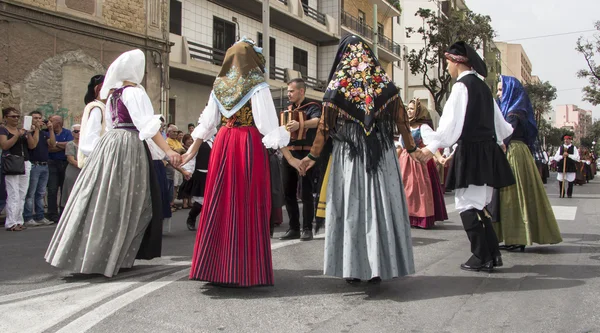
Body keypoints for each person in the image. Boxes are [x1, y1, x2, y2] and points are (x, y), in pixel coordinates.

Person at [45, 49, 181, 277]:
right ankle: (114, 256)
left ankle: (95, 256)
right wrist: (167, 150)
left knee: (105, 200)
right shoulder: (134, 93)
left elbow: (112, 126)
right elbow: (147, 126)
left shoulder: (113, 96)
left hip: (110, 146)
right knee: (132, 203)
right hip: (128, 147)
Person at [301, 35, 418, 284]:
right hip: (381, 154)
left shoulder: (338, 86)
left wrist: (313, 155)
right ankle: (380, 265)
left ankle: (353, 267)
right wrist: (412, 148)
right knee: (379, 206)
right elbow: (401, 120)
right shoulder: (384, 84)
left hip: (349, 156)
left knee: (351, 208)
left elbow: (324, 126)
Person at [183, 38, 300, 287]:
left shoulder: (220, 86)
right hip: (247, 144)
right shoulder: (257, 85)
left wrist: (191, 151)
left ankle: (215, 267)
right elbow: (267, 126)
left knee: (220, 200)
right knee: (246, 201)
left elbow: (207, 123)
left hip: (224, 143)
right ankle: (244, 268)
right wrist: (289, 156)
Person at [420, 41, 515, 272]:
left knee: (466, 205)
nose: (447, 68)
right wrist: (499, 142)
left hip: (472, 152)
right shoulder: (483, 87)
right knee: (480, 204)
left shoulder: (462, 87)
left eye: (448, 63)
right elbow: (501, 126)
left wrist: (431, 148)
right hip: (486, 151)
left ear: (457, 62)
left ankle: (481, 255)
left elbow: (451, 125)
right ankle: (492, 254)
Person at [493, 75, 562, 252]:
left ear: (510, 90)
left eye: (501, 89)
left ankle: (517, 237)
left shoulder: (514, 112)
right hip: (516, 152)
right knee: (513, 196)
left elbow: (505, 135)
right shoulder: (511, 109)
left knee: (513, 196)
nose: (498, 93)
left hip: (513, 153)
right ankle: (513, 237)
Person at [279, 78, 322, 241]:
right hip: (288, 155)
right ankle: (294, 228)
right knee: (288, 192)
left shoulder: (313, 106)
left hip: (305, 154)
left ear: (301, 91)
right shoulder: (287, 109)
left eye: (291, 91)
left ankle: (307, 228)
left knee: (305, 192)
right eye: (288, 91)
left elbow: (318, 121)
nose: (288, 94)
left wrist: (300, 124)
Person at [398, 98, 448, 228]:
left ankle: (421, 218)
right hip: (404, 162)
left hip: (418, 162)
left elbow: (433, 143)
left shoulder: (423, 128)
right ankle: (407, 216)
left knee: (419, 190)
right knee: (405, 190)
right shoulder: (405, 126)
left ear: (418, 112)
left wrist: (439, 157)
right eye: (408, 109)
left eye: (412, 109)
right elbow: (400, 145)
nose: (409, 111)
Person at [0, 107, 38, 231]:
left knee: (22, 193)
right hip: (12, 162)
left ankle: (18, 220)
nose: (16, 119)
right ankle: (11, 222)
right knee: (13, 193)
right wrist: (17, 135)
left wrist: (28, 133)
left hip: (25, 161)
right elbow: (5, 145)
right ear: (6, 118)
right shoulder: (3, 130)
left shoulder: (21, 130)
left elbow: (32, 145)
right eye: (13, 116)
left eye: (17, 116)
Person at [23, 111, 56, 227]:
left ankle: (40, 216)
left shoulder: (44, 133)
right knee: (30, 193)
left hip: (44, 165)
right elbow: (33, 145)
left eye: (39, 118)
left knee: (41, 193)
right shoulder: (29, 133)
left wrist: (51, 129)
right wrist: (36, 129)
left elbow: (52, 144)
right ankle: (27, 217)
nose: (38, 120)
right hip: (34, 165)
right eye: (35, 118)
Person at [78, 74, 106, 168]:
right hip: (97, 162)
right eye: (110, 89)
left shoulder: (104, 108)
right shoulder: (97, 109)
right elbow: (91, 139)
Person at [60, 124, 81, 208]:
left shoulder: (85, 145)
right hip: (73, 170)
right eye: (76, 131)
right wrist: (83, 166)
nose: (79, 133)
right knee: (71, 191)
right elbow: (70, 159)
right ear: (72, 133)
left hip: (83, 170)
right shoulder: (70, 144)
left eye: (80, 131)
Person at [553, 134, 579, 198]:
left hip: (570, 166)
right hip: (562, 166)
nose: (566, 141)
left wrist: (568, 155)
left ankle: (569, 194)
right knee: (561, 180)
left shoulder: (574, 148)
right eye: (565, 139)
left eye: (567, 139)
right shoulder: (561, 147)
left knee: (571, 180)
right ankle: (562, 193)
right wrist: (562, 156)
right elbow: (556, 157)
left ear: (570, 140)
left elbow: (577, 158)